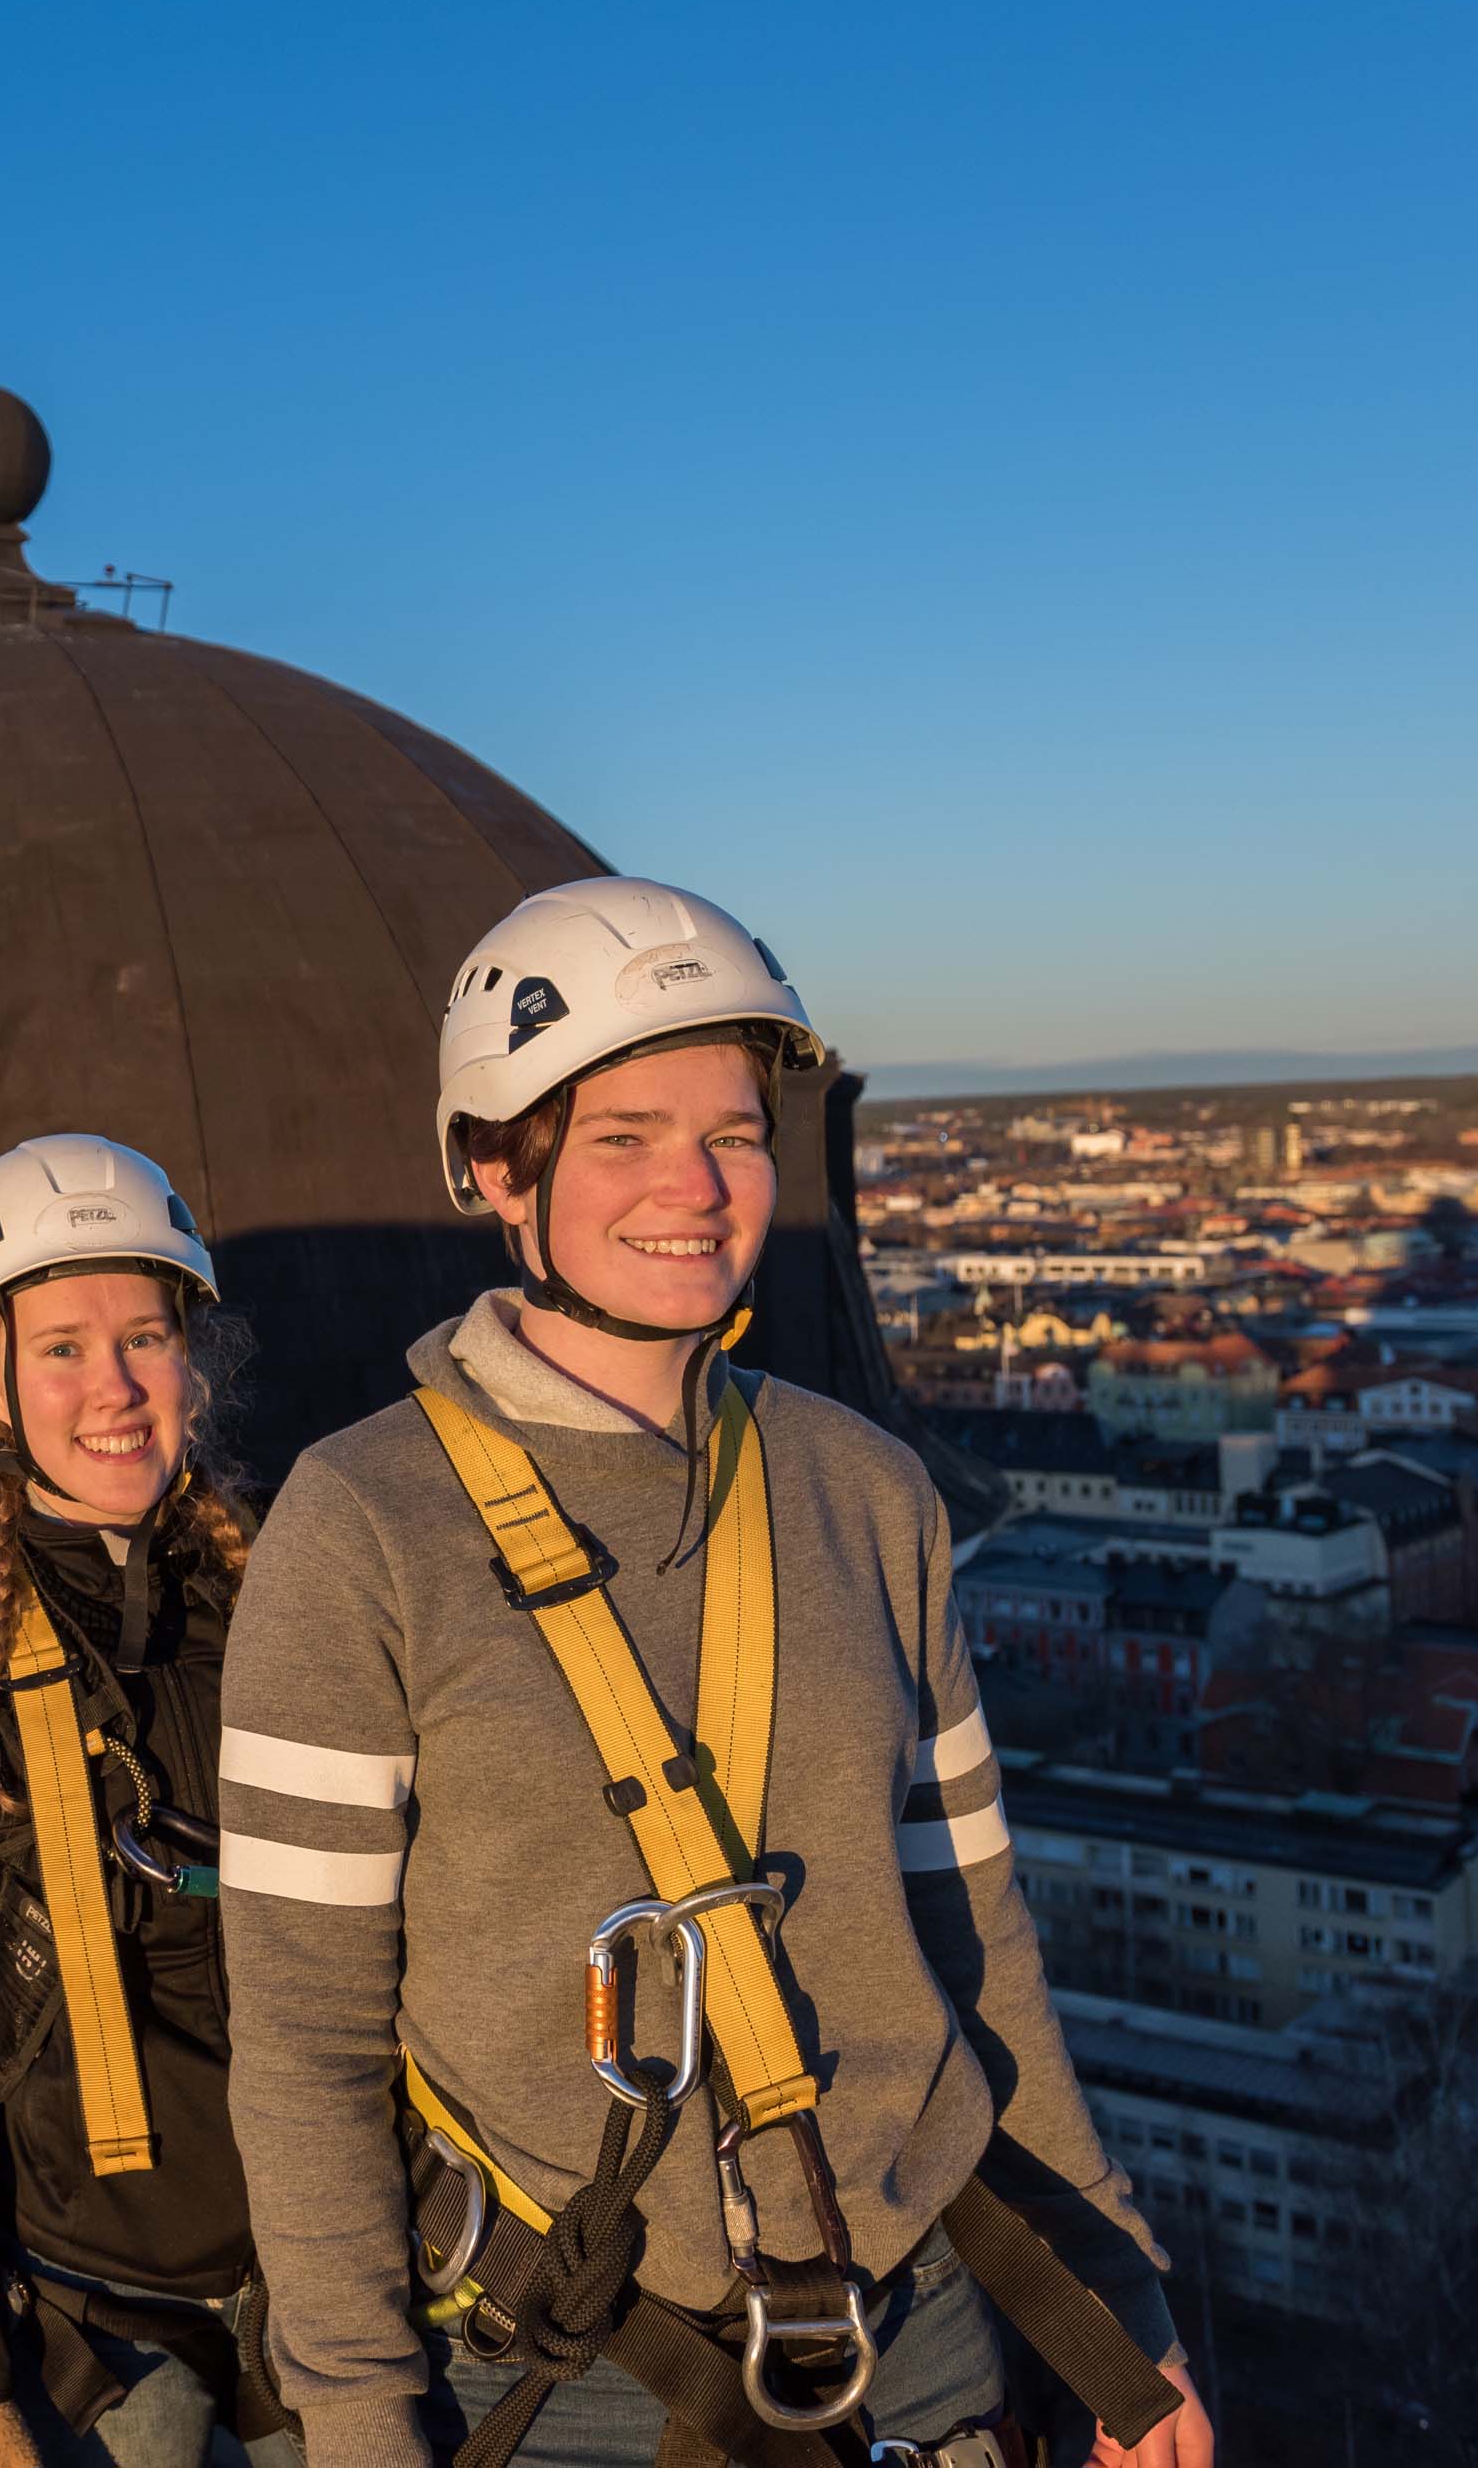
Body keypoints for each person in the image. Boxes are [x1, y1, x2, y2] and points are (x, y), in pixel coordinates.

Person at [216, 878, 1218, 2468]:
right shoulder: (359, 1528)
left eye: (737, 1132)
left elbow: (972, 1930)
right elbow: (303, 2042)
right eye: (622, 1134)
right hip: (588, 2384)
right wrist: (359, 2428)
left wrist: (1112, 2297)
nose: (695, 1183)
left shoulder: (867, 1491)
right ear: (492, 1165)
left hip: (927, 2342)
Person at [0, 1137, 306, 2468]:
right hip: (104, 2326)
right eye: (60, 1348)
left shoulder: (283, 1595)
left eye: (145, 1337)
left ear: (191, 1359)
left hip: (324, 2291)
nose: (112, 1386)